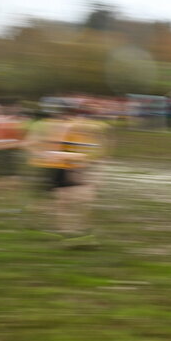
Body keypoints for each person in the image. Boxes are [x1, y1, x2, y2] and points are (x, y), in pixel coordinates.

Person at [25, 99, 110, 247]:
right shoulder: (58, 127)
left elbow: (95, 151)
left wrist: (65, 155)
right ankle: (70, 234)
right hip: (65, 168)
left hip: (78, 169)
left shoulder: (86, 128)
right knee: (64, 202)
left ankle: (82, 233)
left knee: (79, 202)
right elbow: (37, 144)